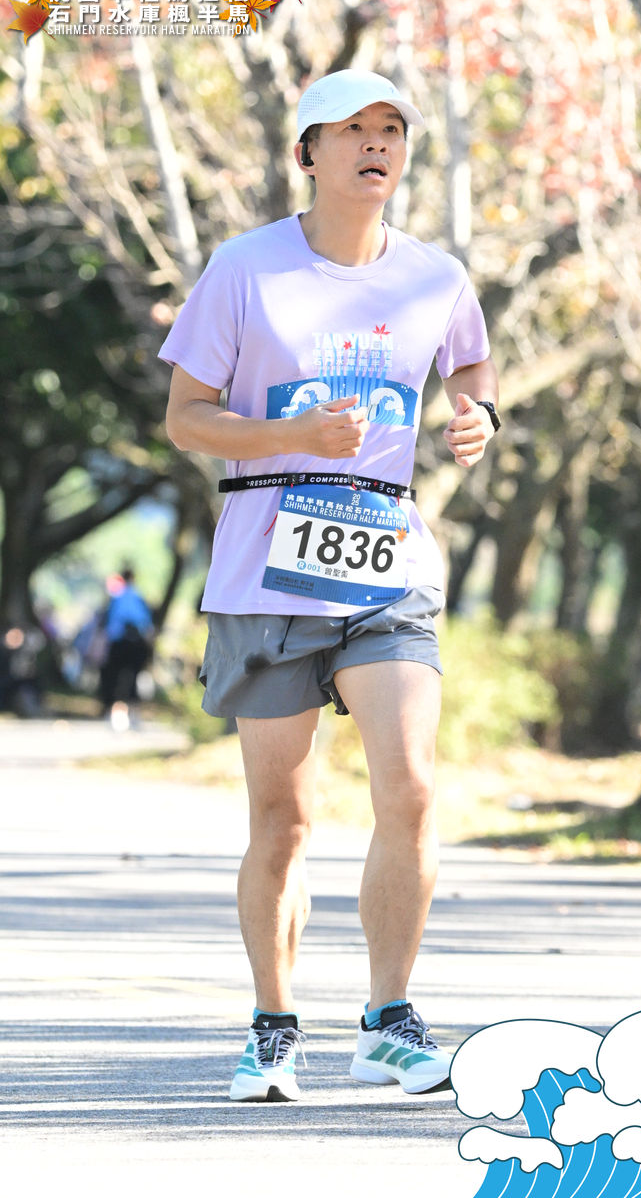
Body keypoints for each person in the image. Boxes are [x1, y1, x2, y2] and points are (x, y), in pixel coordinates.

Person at [159, 68, 500, 1102]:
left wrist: (478, 416)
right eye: (351, 129)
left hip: (385, 557)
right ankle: (272, 1027)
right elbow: (186, 416)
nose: (374, 144)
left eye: (390, 129)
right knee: (285, 816)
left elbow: (471, 366)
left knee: (411, 786)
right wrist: (292, 434)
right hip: (264, 563)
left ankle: (389, 1020)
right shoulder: (244, 268)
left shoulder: (436, 276)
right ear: (307, 152)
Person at [99, 568, 154, 730]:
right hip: (136, 644)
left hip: (118, 643)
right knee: (134, 677)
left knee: (114, 677)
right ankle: (133, 713)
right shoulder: (139, 596)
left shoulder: (116, 597)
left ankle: (113, 711)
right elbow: (146, 623)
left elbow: (109, 622)